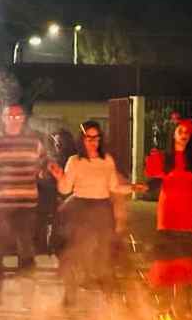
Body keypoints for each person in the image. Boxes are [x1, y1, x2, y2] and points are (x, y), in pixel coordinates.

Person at [51, 121, 133, 308]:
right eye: (89, 138)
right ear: (82, 139)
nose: (93, 142)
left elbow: (114, 187)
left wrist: (133, 187)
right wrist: (59, 177)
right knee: (74, 253)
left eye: (96, 138)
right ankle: (70, 295)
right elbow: (65, 189)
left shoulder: (107, 160)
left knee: (103, 255)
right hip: (79, 209)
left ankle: (109, 298)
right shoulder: (74, 161)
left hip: (102, 211)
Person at [0, 103, 52, 307]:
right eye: (11, 116)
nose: (14, 120)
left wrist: (47, 171)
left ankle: (28, 296)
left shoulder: (34, 142)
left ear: (23, 119)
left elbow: (43, 167)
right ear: (3, 117)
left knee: (26, 250)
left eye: (18, 117)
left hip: (26, 205)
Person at [145, 115, 192, 317]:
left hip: (188, 211)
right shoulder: (162, 158)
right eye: (180, 131)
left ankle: (184, 303)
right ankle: (169, 304)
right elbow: (151, 177)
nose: (184, 135)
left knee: (186, 258)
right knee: (169, 258)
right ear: (173, 134)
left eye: (187, 133)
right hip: (168, 211)